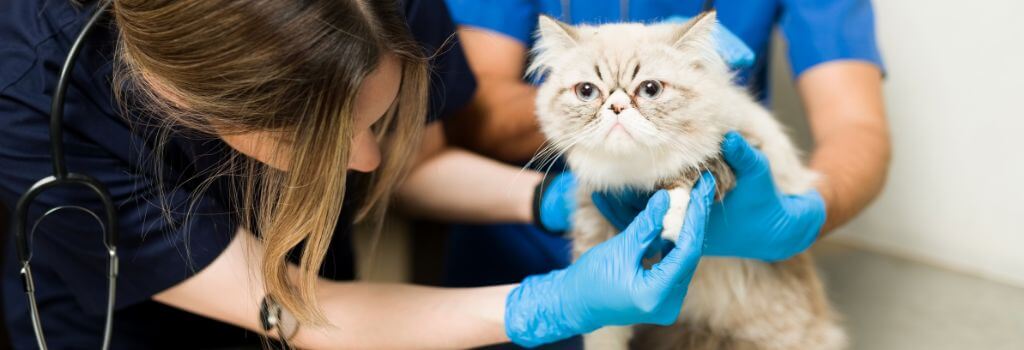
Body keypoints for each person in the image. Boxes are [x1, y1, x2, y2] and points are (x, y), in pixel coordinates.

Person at [0, 0, 714, 348]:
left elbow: (417, 165)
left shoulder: (381, 7)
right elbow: (296, 312)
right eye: (329, 145)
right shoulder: (34, 94)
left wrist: (562, 198)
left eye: (375, 121)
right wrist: (552, 301)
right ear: (190, 110)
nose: (370, 165)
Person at [442, 0, 891, 292]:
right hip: (526, 263)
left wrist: (805, 215)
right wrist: (601, 119)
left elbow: (856, 125)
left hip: (735, 258)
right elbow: (470, 109)